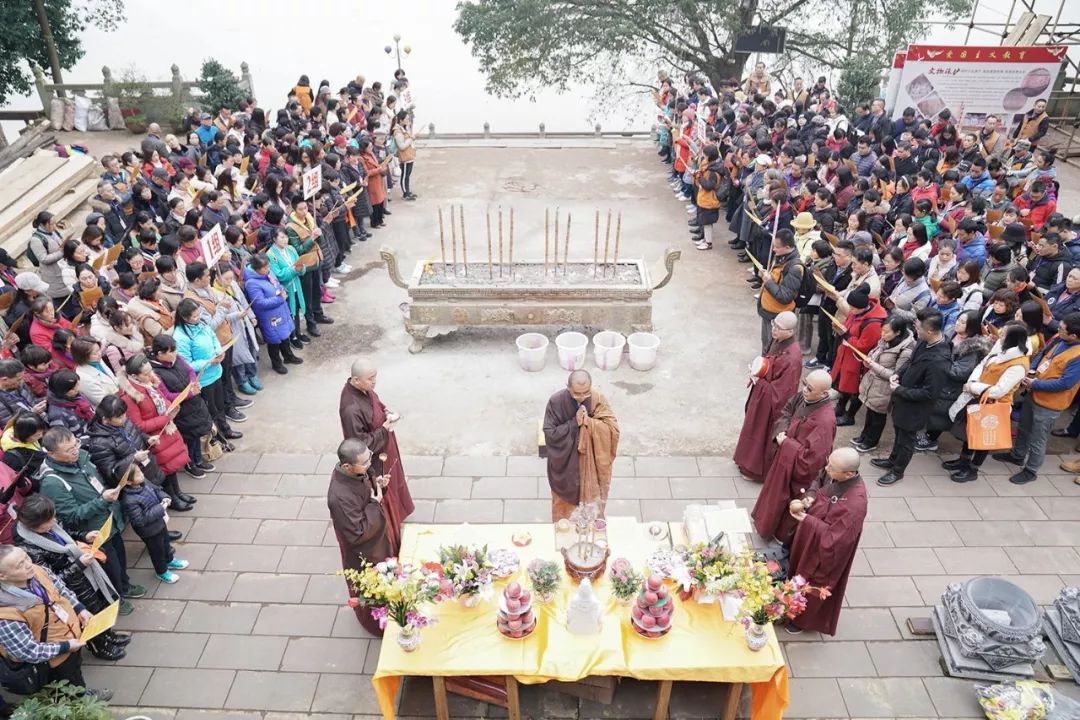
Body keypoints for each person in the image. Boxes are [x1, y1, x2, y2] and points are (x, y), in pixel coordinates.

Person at [37, 426, 144, 614]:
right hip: (93, 530)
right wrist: (102, 501)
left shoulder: (82, 459)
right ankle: (115, 600)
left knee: (119, 557)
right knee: (108, 567)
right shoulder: (52, 482)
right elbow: (71, 516)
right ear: (52, 453)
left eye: (76, 444)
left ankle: (125, 585)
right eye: (69, 450)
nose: (75, 451)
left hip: (110, 519)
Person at [13, 495, 129, 661]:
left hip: (87, 577)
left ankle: (107, 635)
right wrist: (79, 565)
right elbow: (51, 580)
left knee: (100, 607)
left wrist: (83, 536)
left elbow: (66, 534)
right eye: (49, 520)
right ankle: (99, 646)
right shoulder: (29, 549)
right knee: (88, 617)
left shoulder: (48, 525)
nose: (54, 521)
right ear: (34, 525)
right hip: (73, 588)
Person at [0, 545, 112, 700]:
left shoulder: (37, 571)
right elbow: (27, 651)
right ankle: (79, 702)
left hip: (70, 637)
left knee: (75, 672)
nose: (28, 564)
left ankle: (81, 693)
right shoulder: (5, 615)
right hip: (52, 659)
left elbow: (60, 590)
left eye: (26, 557)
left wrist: (79, 609)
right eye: (20, 565)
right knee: (65, 687)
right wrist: (65, 646)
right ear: (2, 576)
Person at [785, 447, 867, 635]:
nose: (827, 469)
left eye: (832, 467)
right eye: (828, 463)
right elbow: (819, 479)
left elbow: (837, 538)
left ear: (849, 474)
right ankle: (788, 600)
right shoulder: (834, 472)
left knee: (815, 581)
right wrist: (811, 495)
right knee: (798, 568)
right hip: (812, 535)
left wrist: (809, 520)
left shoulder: (856, 504)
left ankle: (801, 619)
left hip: (826, 550)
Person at [750, 369, 836, 546]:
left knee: (788, 504)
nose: (804, 390)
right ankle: (766, 525)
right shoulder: (805, 397)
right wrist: (782, 431)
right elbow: (787, 410)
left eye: (810, 388)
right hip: (785, 459)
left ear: (824, 393)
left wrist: (787, 444)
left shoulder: (825, 421)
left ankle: (781, 538)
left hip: (798, 471)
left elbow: (813, 459)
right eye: (805, 384)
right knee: (773, 496)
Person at [993, 313, 1080, 484]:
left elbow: (1065, 383)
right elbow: (1042, 354)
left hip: (1049, 403)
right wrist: (1031, 371)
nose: (1058, 330)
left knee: (1038, 438)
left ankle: (1031, 470)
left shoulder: (1077, 356)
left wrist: (1035, 384)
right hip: (1033, 393)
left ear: (1074, 336)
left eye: (1062, 329)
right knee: (1024, 427)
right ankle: (1017, 455)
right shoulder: (1060, 339)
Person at [339, 359, 414, 552]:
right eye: (370, 379)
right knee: (382, 490)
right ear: (356, 379)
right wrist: (384, 429)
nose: (374, 382)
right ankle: (389, 527)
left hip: (385, 447)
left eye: (375, 377)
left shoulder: (363, 389)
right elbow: (360, 445)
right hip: (374, 458)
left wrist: (384, 410)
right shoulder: (351, 409)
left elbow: (375, 403)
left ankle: (398, 514)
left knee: (393, 480)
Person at [942, 324, 1031, 482]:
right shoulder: (999, 349)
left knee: (984, 439)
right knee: (970, 432)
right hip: (978, 398)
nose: (999, 336)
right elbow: (981, 365)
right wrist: (973, 381)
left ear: (1012, 339)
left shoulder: (1018, 364)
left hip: (995, 405)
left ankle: (973, 469)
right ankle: (963, 460)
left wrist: (973, 387)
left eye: (1003, 334)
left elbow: (999, 390)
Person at [872, 309, 951, 486]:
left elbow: (930, 393)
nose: (916, 329)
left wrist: (900, 390)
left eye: (918, 327)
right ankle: (892, 460)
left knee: (907, 440)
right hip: (902, 399)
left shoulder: (939, 360)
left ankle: (898, 471)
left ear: (930, 331)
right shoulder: (924, 341)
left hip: (915, 408)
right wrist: (898, 374)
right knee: (899, 434)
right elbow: (910, 360)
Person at [328, 438, 392, 636]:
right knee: (373, 590)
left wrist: (378, 485)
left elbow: (368, 486)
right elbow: (358, 533)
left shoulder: (357, 471)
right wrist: (374, 504)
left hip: (377, 538)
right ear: (347, 466)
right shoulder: (340, 497)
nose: (369, 464)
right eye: (364, 463)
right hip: (364, 552)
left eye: (369, 457)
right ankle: (377, 625)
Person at [733, 311, 803, 481]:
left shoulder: (793, 358)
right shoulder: (778, 340)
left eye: (779, 328)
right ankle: (745, 462)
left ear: (790, 331)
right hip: (763, 394)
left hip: (771, 403)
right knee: (752, 428)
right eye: (774, 325)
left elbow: (783, 391)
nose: (774, 330)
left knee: (761, 434)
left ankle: (756, 471)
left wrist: (759, 380)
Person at [543, 370, 620, 521]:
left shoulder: (597, 399)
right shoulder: (556, 402)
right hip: (567, 466)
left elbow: (612, 429)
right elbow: (550, 433)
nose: (582, 397)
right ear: (568, 387)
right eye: (577, 393)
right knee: (565, 514)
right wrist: (574, 424)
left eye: (586, 392)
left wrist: (590, 423)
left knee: (591, 513)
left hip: (592, 466)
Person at [119, 462, 188, 584]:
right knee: (157, 551)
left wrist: (164, 497)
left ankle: (170, 560)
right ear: (129, 482)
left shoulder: (143, 483)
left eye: (140, 471)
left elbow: (156, 490)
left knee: (165, 542)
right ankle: (161, 572)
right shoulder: (129, 500)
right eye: (137, 474)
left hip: (159, 522)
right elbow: (139, 520)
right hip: (149, 531)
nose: (142, 474)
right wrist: (161, 508)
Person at [830, 285, 886, 426]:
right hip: (847, 355)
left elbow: (863, 346)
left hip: (859, 361)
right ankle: (840, 407)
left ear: (862, 307)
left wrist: (845, 334)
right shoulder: (856, 312)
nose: (850, 310)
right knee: (844, 383)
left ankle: (850, 416)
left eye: (853, 308)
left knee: (856, 389)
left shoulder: (873, 322)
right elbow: (848, 326)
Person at [757, 230, 805, 352]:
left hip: (778, 315)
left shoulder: (794, 268)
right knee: (766, 343)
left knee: (773, 348)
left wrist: (768, 282)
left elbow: (785, 296)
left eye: (777, 247)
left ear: (787, 247)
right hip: (768, 309)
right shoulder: (780, 257)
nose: (773, 249)